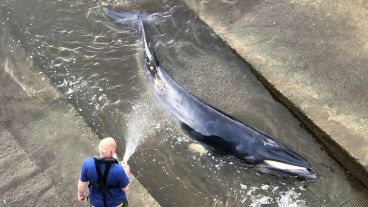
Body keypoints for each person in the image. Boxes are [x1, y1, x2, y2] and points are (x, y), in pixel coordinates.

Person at [77, 137, 130, 207]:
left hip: (96, 204)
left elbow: (82, 185)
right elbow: (125, 189)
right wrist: (126, 172)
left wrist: (80, 195)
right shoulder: (119, 169)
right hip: (116, 203)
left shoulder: (87, 164)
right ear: (112, 152)